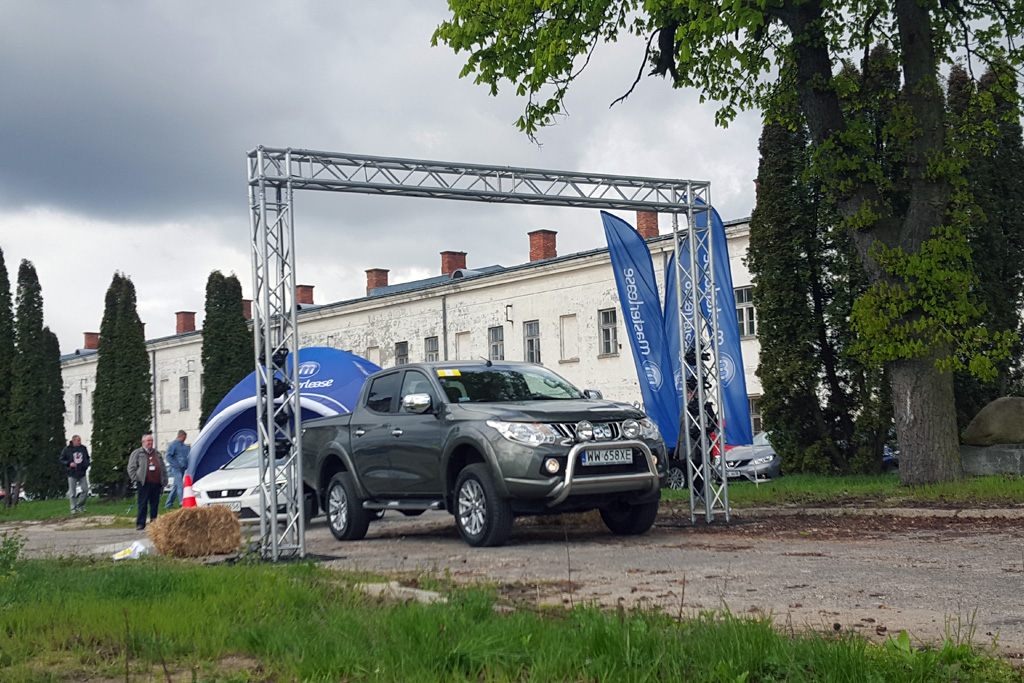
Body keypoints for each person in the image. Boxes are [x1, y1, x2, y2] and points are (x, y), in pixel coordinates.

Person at [127, 433, 167, 531]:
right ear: (143, 442)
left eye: (151, 441)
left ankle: (154, 523)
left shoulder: (157, 454)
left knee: (154, 504)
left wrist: (164, 480)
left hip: (156, 483)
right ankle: (141, 524)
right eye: (148, 441)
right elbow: (131, 468)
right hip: (144, 483)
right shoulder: (137, 453)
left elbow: (163, 468)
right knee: (142, 504)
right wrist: (136, 478)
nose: (150, 443)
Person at [59, 435, 90, 514]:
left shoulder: (83, 448)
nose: (80, 442)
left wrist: (86, 465)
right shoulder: (67, 449)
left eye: (80, 440)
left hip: (82, 472)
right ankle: (73, 509)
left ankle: (80, 505)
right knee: (72, 493)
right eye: (78, 440)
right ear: (73, 441)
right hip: (72, 473)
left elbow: (87, 458)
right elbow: (61, 460)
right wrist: (69, 464)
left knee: (85, 490)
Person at [164, 430, 190, 509]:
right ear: (179, 436)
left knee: (176, 487)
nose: (185, 439)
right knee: (180, 485)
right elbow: (168, 456)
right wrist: (175, 464)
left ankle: (169, 503)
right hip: (176, 469)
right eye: (184, 437)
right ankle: (182, 502)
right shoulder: (173, 445)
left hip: (183, 468)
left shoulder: (184, 446)